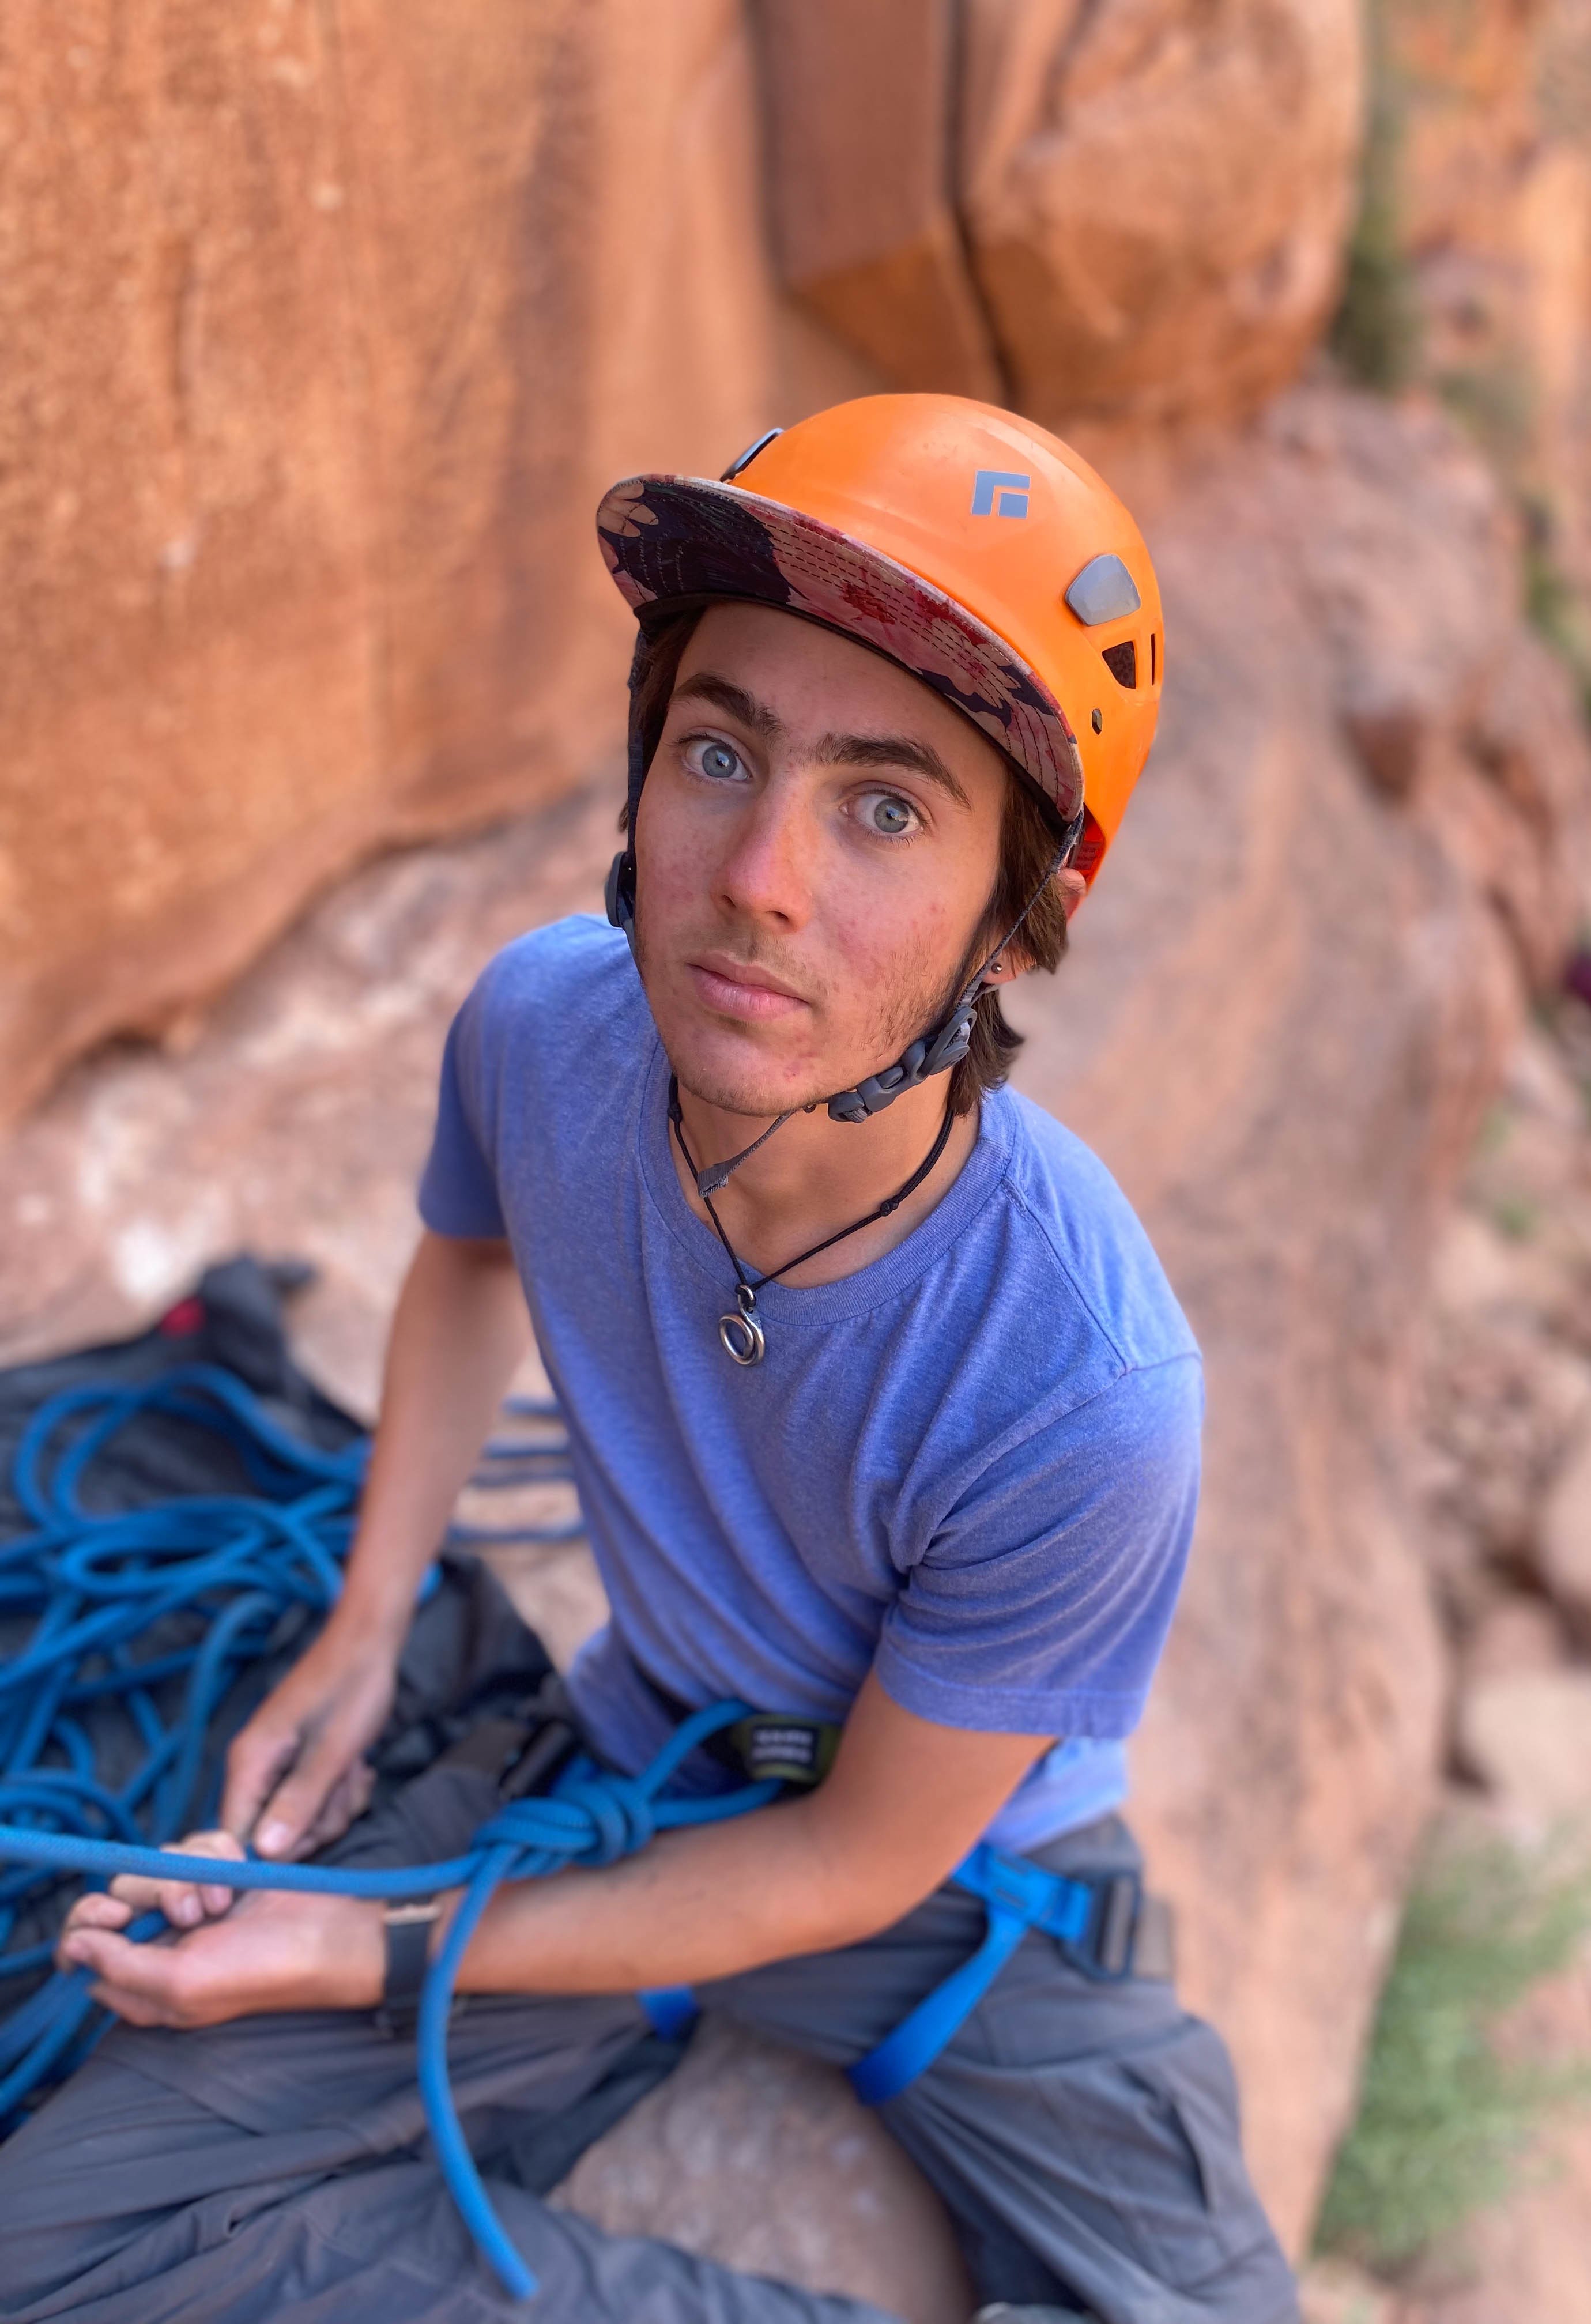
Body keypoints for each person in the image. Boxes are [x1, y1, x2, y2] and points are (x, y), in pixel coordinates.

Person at [0, 396, 1298, 2324]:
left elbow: (858, 1862)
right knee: (53, 2241)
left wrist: (379, 1956)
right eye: (716, 750)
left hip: (940, 1885)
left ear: (1018, 915)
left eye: (885, 807)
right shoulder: (547, 1030)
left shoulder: (1080, 1388)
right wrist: (365, 1618)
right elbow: (463, 1265)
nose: (758, 874)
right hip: (637, 1746)